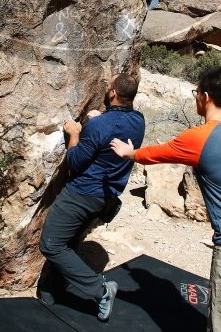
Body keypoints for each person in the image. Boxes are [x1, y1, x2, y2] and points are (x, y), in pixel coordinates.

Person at [111, 66, 221, 332]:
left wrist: (129, 153)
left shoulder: (199, 137)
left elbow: (158, 153)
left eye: (196, 93)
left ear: (204, 97)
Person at [38, 73, 145, 322]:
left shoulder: (100, 126)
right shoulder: (139, 121)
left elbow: (75, 162)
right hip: (105, 197)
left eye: (109, 87)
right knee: (69, 242)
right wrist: (100, 121)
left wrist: (75, 133)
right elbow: (112, 131)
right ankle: (51, 293)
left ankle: (101, 291)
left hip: (82, 193)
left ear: (113, 93)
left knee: (51, 244)